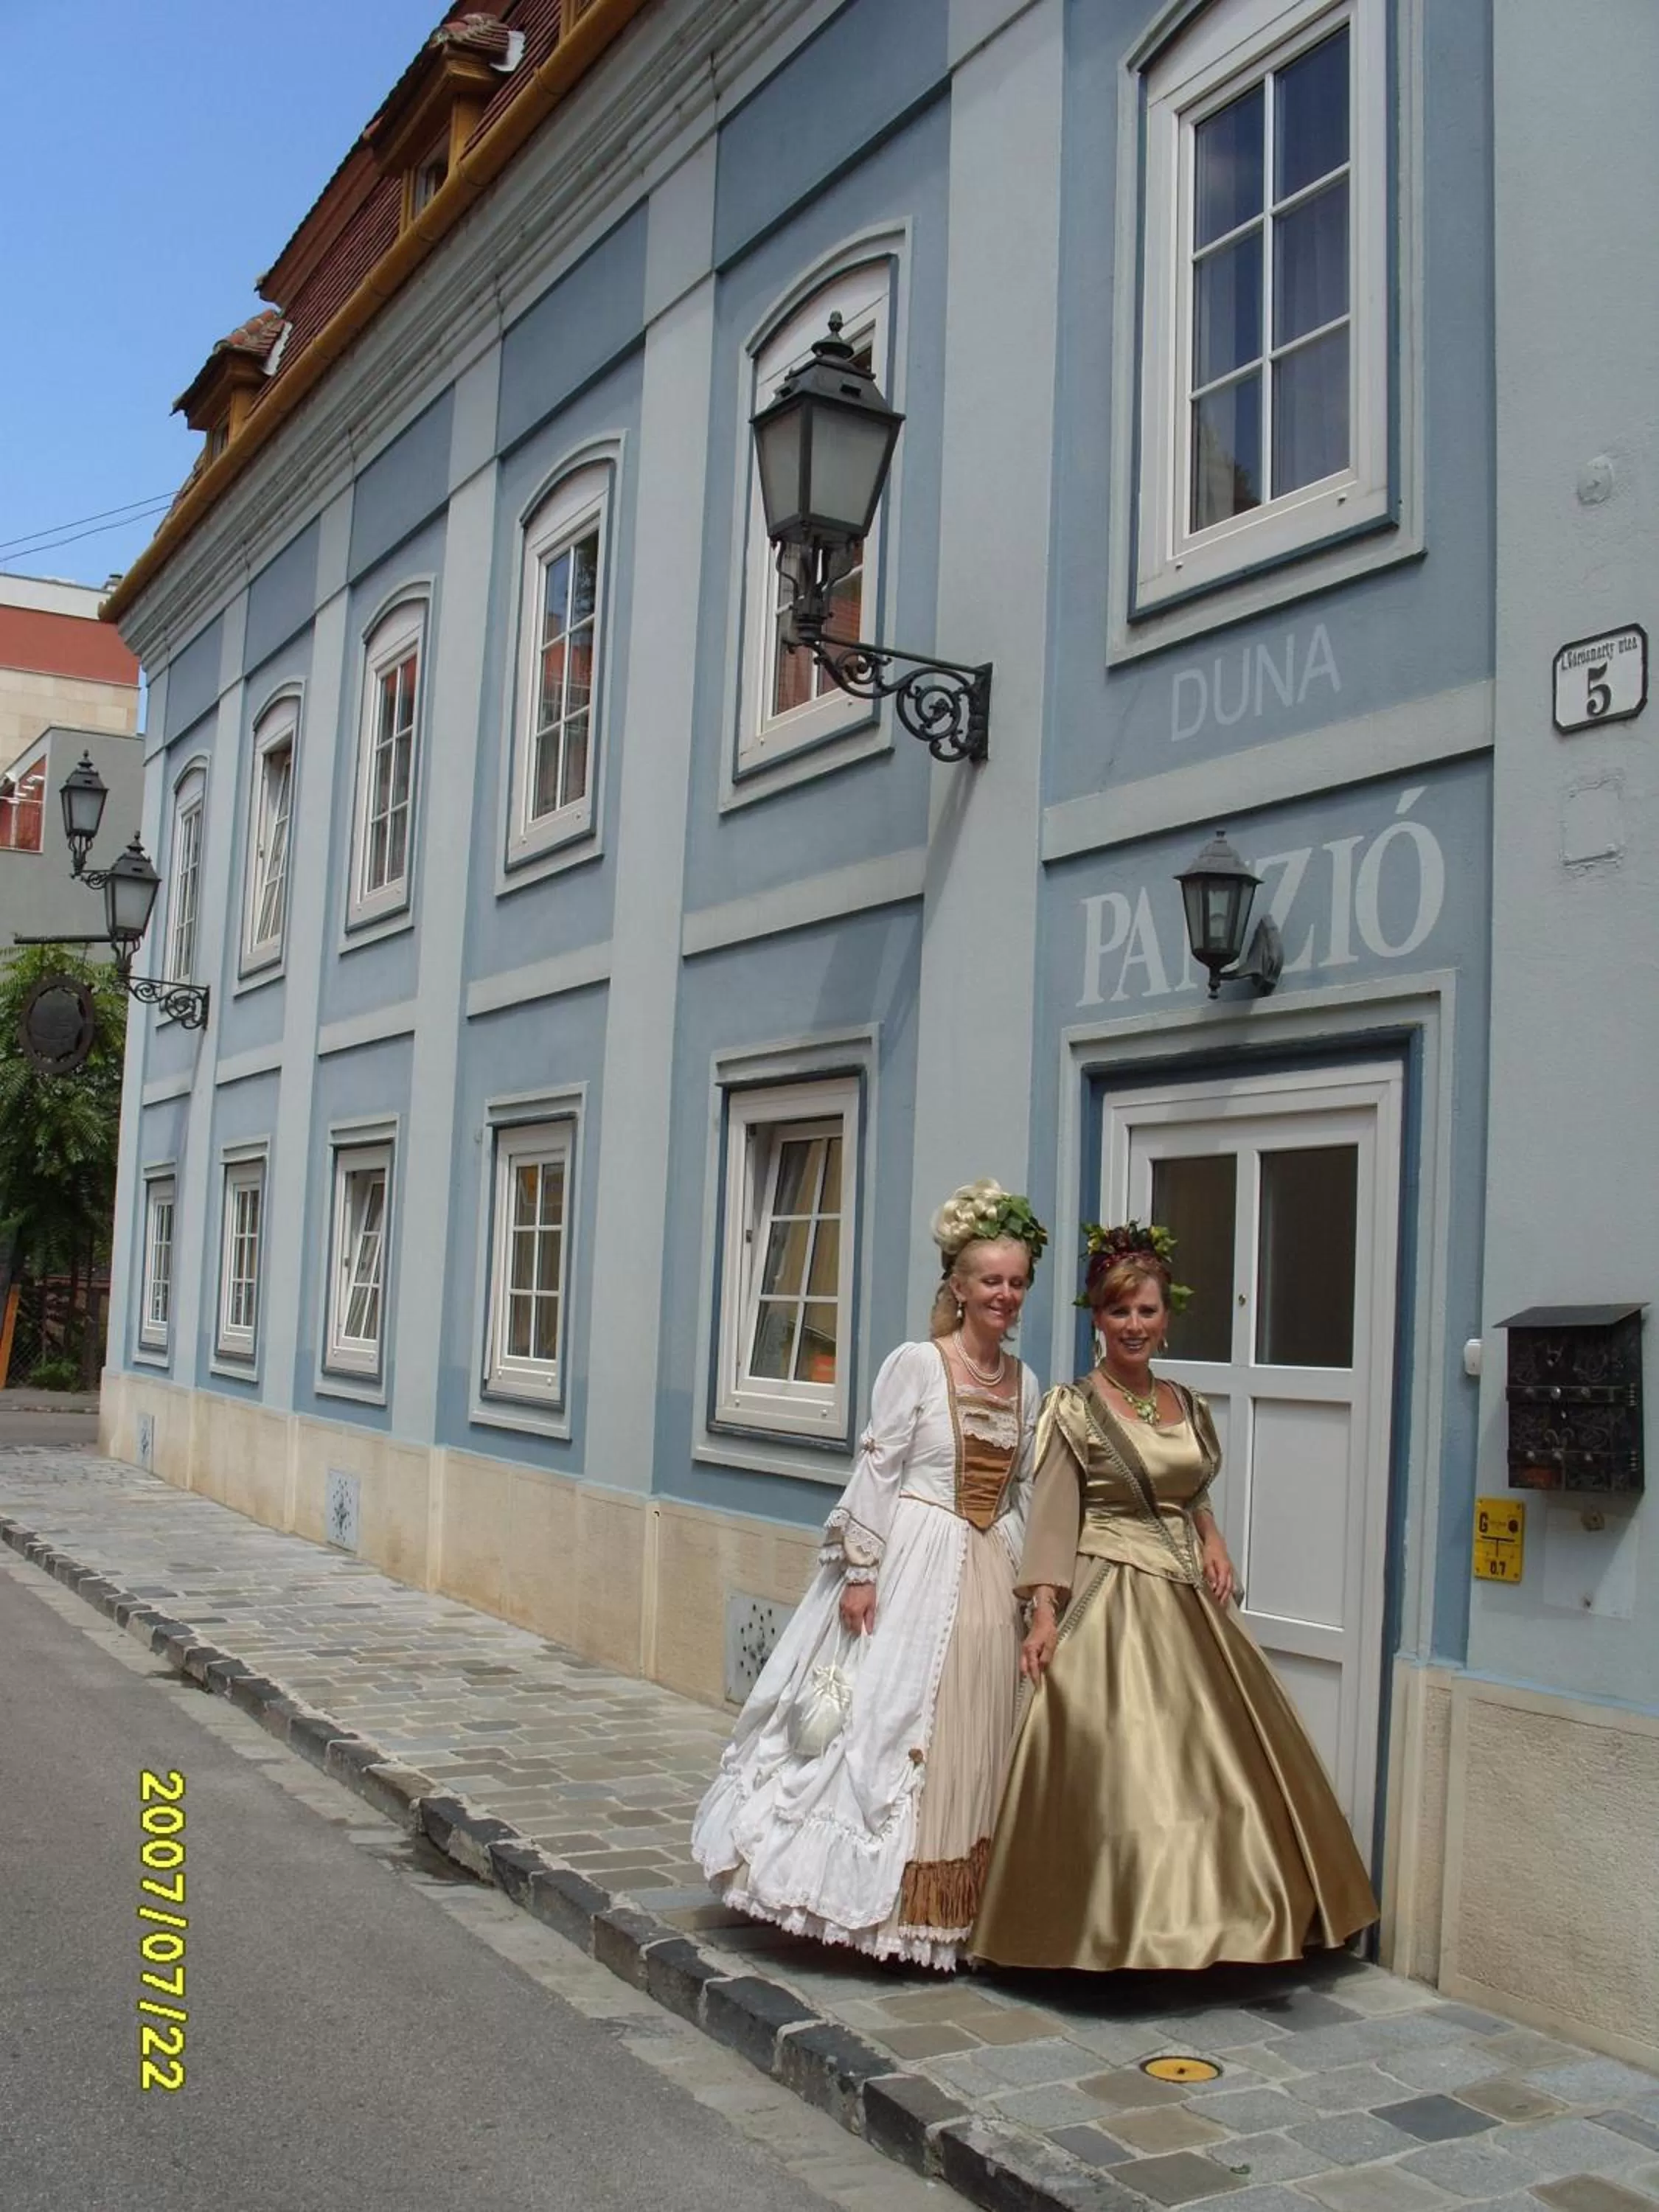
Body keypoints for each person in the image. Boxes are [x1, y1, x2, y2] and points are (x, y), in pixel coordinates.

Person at [972, 1221, 1378, 1973]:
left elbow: (1190, 1491)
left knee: (1220, 1758)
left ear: (1166, 1318)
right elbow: (1056, 1513)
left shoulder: (1185, 1403)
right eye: (1120, 1312)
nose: (1135, 1326)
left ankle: (1237, 1922)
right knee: (1128, 1766)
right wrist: (1046, 1609)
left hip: (1187, 1589)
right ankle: (1119, 1930)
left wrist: (1212, 1537)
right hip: (1108, 1591)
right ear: (1097, 1319)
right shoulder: (1074, 1406)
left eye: (1148, 1312)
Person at [692, 1180, 1047, 1968]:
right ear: (957, 1286)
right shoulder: (918, 1365)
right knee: (876, 1724)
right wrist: (861, 1569)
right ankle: (870, 1903)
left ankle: (959, 1911)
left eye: (1017, 1282)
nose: (1005, 1295)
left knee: (975, 1729)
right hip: (912, 1564)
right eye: (991, 1280)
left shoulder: (1025, 1385)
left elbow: (1022, 1488)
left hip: (992, 1569)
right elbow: (880, 1468)